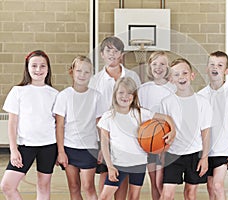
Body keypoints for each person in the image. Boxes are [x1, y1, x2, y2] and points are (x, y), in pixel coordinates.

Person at [98, 77, 175, 200]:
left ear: (134, 96)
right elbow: (104, 145)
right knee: (104, 196)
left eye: (129, 93)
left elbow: (167, 118)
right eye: (121, 92)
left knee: (134, 197)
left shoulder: (140, 113)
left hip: (138, 164)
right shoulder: (108, 117)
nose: (125, 96)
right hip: (118, 164)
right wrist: (110, 166)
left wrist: (173, 132)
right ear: (115, 94)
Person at [0, 50, 58, 200]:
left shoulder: (55, 94)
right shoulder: (18, 92)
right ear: (27, 68)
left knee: (43, 186)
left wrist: (61, 150)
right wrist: (13, 150)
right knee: (7, 186)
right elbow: (12, 124)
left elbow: (59, 125)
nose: (38, 70)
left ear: (48, 68)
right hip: (25, 146)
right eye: (34, 66)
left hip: (49, 146)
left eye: (42, 66)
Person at [88, 36, 141, 199]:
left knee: (122, 178)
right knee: (106, 177)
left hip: (127, 138)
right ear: (102, 54)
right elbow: (95, 114)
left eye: (116, 51)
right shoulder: (95, 80)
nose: (112, 54)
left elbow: (137, 108)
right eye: (108, 50)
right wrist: (103, 143)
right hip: (105, 136)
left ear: (122, 54)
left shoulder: (133, 76)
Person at [160, 58, 213, 200]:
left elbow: (206, 132)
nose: (181, 77)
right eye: (176, 74)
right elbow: (163, 131)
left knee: (190, 193)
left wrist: (205, 157)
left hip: (194, 154)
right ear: (171, 79)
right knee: (167, 194)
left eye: (184, 73)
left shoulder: (202, 102)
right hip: (172, 154)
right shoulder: (166, 102)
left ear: (192, 75)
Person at [53, 56, 105, 200]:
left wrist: (103, 149)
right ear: (72, 71)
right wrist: (61, 151)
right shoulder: (64, 96)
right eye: (79, 71)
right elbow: (60, 125)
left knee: (88, 186)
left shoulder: (96, 96)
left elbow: (101, 125)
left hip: (89, 148)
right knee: (74, 186)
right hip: (69, 148)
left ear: (91, 74)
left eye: (87, 72)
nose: (82, 75)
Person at [198, 51, 228, 200]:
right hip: (206, 151)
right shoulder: (200, 95)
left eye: (219, 65)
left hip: (223, 149)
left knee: (218, 185)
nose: (215, 67)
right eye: (212, 64)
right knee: (211, 186)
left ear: (226, 71)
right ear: (207, 68)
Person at [137, 51, 176, 200]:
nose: (158, 67)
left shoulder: (173, 89)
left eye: (162, 64)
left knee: (163, 185)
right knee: (154, 184)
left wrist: (167, 139)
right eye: (154, 64)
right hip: (149, 142)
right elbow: (139, 115)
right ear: (149, 66)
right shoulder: (143, 89)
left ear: (168, 67)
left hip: (168, 142)